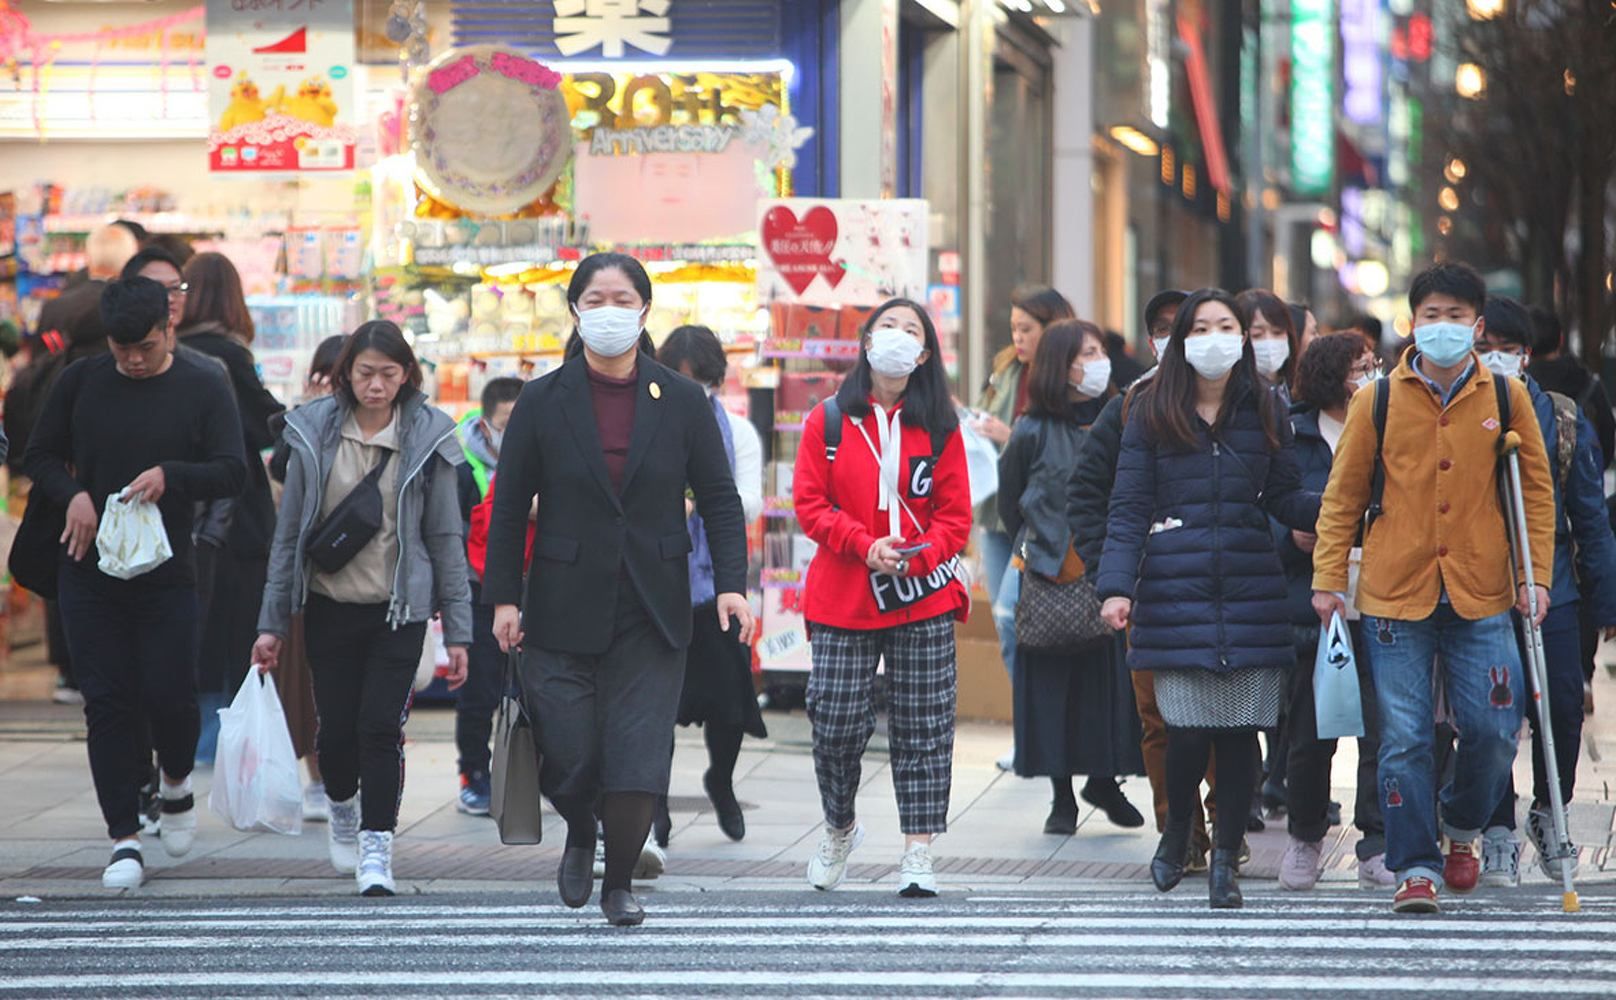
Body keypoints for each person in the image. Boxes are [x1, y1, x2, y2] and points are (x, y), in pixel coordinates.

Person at [483, 252, 753, 927]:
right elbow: (509, 503)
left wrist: (731, 585)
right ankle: (581, 828)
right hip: (560, 599)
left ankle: (620, 883)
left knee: (637, 752)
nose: (610, 312)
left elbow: (719, 498)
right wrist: (504, 598)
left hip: (652, 602)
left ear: (645, 310)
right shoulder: (543, 398)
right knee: (567, 746)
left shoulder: (681, 399)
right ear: (576, 311)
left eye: (623, 299)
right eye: (596, 300)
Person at [1311, 262, 1554, 914]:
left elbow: (1534, 493)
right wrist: (1328, 578)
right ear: (1413, 322)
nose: (1442, 327)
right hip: (1396, 593)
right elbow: (1342, 496)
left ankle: (1461, 821)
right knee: (1404, 739)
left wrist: (1534, 577)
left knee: (1495, 730)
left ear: (1477, 325)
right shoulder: (1377, 399)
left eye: (1456, 316)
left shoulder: (1505, 396)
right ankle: (1414, 865)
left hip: (1483, 589)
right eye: (1431, 315)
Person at [1097, 288, 1320, 910]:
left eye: (1226, 326)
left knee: (1240, 731)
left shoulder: (1267, 407)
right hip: (1175, 587)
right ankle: (1178, 834)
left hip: (1250, 587)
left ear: (1242, 339)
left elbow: (1285, 495)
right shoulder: (1151, 409)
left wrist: (1339, 508)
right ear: (1182, 340)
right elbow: (1128, 506)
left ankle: (1225, 858)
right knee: (1187, 728)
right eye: (1200, 328)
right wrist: (1115, 587)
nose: (1214, 338)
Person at [24, 276, 246, 889]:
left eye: (145, 347)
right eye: (122, 349)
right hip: (88, 566)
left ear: (169, 328)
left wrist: (170, 475)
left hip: (167, 570)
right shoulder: (81, 381)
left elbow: (233, 471)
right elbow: (38, 455)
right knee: (106, 701)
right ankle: (123, 837)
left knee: (171, 693)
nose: (134, 360)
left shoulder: (203, 383)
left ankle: (175, 782)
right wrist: (73, 495)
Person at [252, 321, 472, 897]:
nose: (376, 385)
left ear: (407, 376)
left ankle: (378, 844)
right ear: (346, 374)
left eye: (388, 374)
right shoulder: (313, 434)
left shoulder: (428, 437)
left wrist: (459, 632)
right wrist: (271, 624)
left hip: (400, 612)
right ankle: (342, 806)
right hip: (330, 605)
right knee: (335, 733)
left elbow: (446, 538)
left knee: (380, 726)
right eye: (365, 373)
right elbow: (288, 537)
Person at [793, 298, 972, 899]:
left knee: (924, 723)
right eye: (887, 326)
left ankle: (918, 849)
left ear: (924, 354)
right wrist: (864, 545)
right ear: (867, 342)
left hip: (921, 595)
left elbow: (955, 516)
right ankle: (840, 827)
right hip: (844, 594)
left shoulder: (941, 425)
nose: (897, 336)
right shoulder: (827, 421)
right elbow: (810, 505)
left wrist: (920, 554)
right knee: (835, 719)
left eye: (911, 330)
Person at [1068, 289, 1226, 868]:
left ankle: (1227, 824)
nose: (1175, 337)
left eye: (1187, 325)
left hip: (1224, 587)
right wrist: (1110, 572)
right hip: (1150, 590)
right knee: (1159, 718)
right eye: (1163, 327)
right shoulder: (1131, 406)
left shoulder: (1240, 401)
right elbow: (1087, 494)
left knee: (1227, 714)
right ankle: (1178, 832)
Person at [1472, 297, 1616, 885]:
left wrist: (1606, 600)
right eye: (1484, 348)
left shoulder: (1561, 419)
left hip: (1552, 583)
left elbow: (1590, 517)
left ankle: (1549, 808)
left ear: (1526, 355)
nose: (1494, 359)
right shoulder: (1454, 415)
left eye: (1506, 349)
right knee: (1490, 714)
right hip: (1480, 588)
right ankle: (1495, 826)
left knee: (1561, 703)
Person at [997, 319, 1144, 834]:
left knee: (1108, 689)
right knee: (1052, 692)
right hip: (1051, 575)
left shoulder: (1123, 417)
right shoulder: (1031, 430)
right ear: (1059, 365)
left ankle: (1104, 781)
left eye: (1100, 351)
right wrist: (1038, 549)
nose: (1097, 362)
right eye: (1085, 354)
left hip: (1110, 573)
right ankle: (1062, 798)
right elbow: (1010, 503)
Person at [1274, 332, 1394, 891]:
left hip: (1381, 596)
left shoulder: (1389, 423)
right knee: (1309, 733)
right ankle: (1305, 836)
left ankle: (1377, 840)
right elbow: (1272, 502)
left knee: (1381, 731)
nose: (1369, 376)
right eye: (1358, 368)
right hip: (1314, 603)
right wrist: (1298, 531)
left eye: (1372, 365)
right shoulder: (1292, 433)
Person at [8, 224, 141, 708]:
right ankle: (117, 663)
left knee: (65, 551)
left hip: (58, 447)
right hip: (111, 447)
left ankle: (67, 668)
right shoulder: (127, 308)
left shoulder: (58, 305)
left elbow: (36, 363)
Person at [656, 325, 767, 842]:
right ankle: (653, 804)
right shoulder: (650, 426)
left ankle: (720, 780)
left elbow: (750, 502)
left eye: (702, 382)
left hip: (717, 586)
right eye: (681, 380)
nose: (694, 392)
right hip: (658, 583)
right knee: (654, 703)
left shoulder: (737, 432)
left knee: (727, 699)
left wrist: (703, 495)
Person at [176, 252, 286, 763]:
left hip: (183, 502)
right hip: (235, 508)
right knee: (236, 623)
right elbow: (265, 424)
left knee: (195, 621)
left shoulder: (172, 353)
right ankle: (221, 739)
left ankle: (192, 738)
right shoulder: (228, 355)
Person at [972, 286, 1076, 768]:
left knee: (1033, 621)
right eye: (1013, 328)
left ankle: (1054, 731)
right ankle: (1030, 731)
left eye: (1027, 329)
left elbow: (1064, 449)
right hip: (997, 513)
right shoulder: (1005, 369)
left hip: (1043, 522)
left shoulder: (1068, 376)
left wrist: (1007, 435)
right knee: (1007, 623)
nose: (1017, 338)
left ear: (1052, 329)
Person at [267, 334, 348, 821]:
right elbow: (283, 469)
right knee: (306, 682)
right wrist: (310, 414)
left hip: (366, 573)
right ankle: (318, 779)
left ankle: (349, 780)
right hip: (309, 570)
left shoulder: (388, 423)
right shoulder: (300, 424)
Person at [1525, 305, 1615, 715]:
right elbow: (1608, 440)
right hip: (1575, 508)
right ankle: (1581, 674)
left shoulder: (1519, 391)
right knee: (1574, 592)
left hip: (1535, 525)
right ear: (1560, 340)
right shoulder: (1588, 383)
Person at [451, 375, 525, 817]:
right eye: (507, 424)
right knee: (480, 688)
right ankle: (473, 774)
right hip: (477, 591)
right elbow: (452, 534)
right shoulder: (462, 467)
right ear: (486, 424)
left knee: (529, 689)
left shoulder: (544, 459)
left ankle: (525, 775)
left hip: (530, 588)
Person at [1237, 289, 1299, 404]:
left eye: (1277, 332)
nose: (1269, 341)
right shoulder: (1236, 399)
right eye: (1257, 335)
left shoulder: (1300, 393)